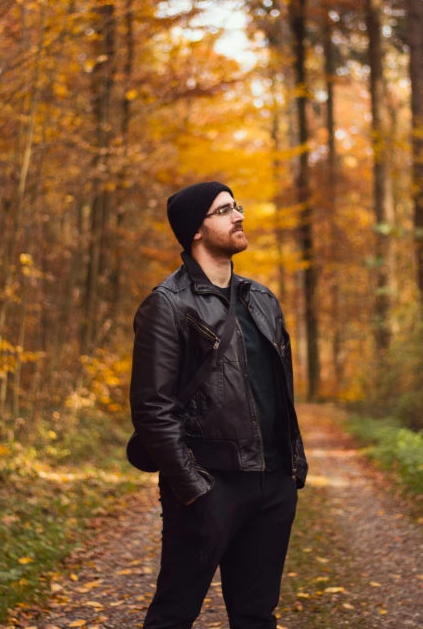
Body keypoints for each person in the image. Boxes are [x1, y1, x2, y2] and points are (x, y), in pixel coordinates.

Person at [130, 181, 308, 629]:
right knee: (174, 613)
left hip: (272, 485)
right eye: (225, 209)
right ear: (196, 229)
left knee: (256, 614)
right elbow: (153, 410)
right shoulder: (167, 305)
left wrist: (291, 472)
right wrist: (193, 488)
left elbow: (279, 392)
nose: (239, 216)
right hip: (209, 485)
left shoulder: (263, 300)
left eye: (238, 206)